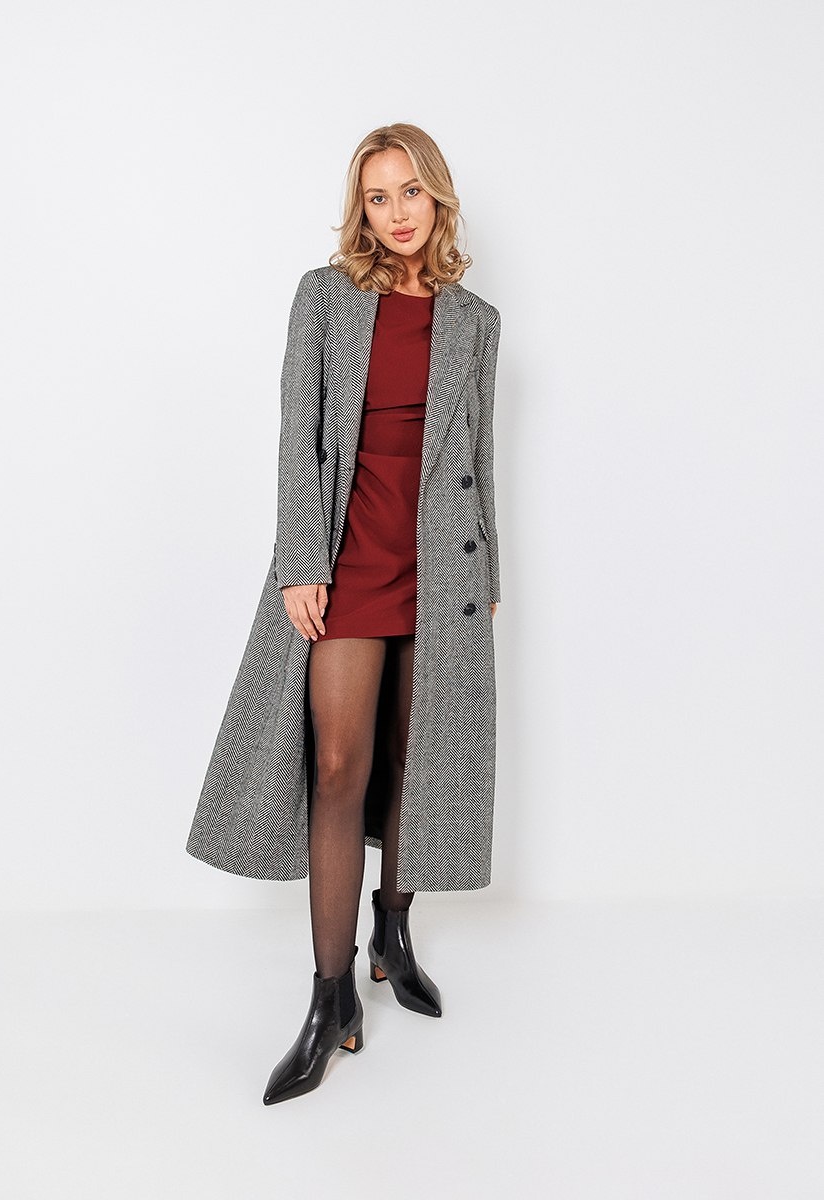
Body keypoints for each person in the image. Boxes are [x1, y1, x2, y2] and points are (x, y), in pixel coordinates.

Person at [185, 122, 502, 1105]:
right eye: (377, 196)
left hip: (439, 566)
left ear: (436, 196)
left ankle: (392, 931)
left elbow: (477, 455)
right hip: (348, 557)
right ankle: (331, 998)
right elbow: (298, 430)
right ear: (360, 209)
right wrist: (299, 561)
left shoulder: (475, 320)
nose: (397, 213)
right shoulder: (324, 298)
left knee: (413, 758)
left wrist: (488, 571)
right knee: (336, 764)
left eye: (410, 191)